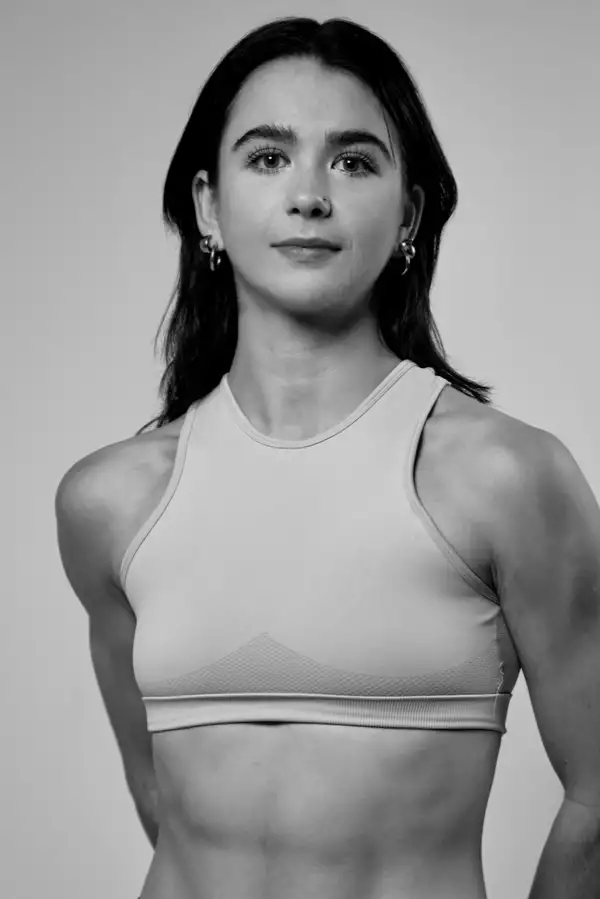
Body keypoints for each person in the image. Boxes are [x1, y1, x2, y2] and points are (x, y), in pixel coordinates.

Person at [54, 15, 600, 899]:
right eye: (268, 158)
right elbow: (161, 797)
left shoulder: (504, 479)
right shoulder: (109, 502)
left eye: (353, 160)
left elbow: (596, 798)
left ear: (410, 210)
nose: (309, 195)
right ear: (206, 205)